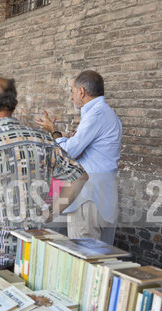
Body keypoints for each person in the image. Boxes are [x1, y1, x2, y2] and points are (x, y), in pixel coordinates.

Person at [0, 77, 88, 272]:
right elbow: (79, 176)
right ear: (15, 104)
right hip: (30, 250)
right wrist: (50, 212)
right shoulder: (42, 140)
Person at [35, 70, 122, 245]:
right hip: (103, 197)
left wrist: (54, 133)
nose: (72, 97)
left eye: (72, 92)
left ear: (81, 91)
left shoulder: (96, 115)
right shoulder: (107, 114)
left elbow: (68, 153)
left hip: (89, 200)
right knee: (101, 261)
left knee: (83, 259)